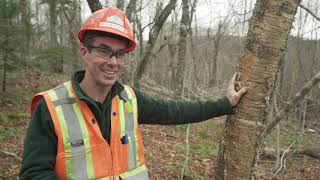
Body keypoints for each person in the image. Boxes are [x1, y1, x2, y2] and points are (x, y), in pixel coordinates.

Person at [19, 7, 247, 180]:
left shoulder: (129, 99)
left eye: (119, 54)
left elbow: (176, 111)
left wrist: (225, 104)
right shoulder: (51, 107)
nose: (113, 62)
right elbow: (33, 174)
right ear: (84, 52)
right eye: (103, 51)